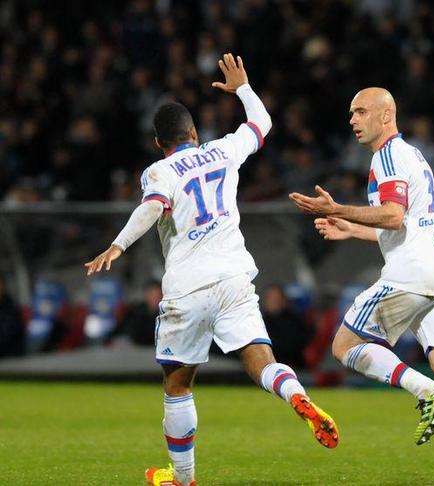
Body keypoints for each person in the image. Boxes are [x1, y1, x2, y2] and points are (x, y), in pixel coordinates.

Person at [85, 54, 338, 486]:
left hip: (188, 287)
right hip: (234, 277)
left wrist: (117, 244)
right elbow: (262, 123)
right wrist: (243, 88)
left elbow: (152, 208)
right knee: (262, 360)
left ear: (158, 143)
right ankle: (297, 395)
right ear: (194, 134)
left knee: (178, 385)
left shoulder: (160, 170)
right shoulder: (222, 150)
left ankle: (183, 479)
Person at [289, 87, 434, 485]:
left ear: (385, 115)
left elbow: (393, 216)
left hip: (410, 275)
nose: (353, 120)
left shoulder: (388, 156)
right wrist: (353, 230)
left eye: (361, 111)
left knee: (344, 346)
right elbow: (405, 225)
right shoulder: (413, 155)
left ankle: (424, 391)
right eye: (351, 113)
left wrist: (337, 208)